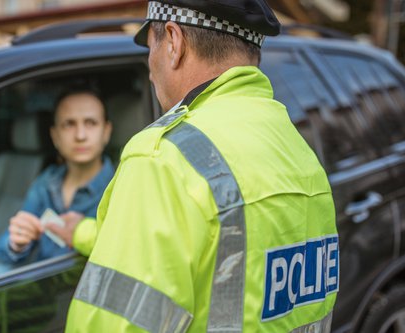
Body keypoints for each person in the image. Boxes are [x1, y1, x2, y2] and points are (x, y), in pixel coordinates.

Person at [65, 1, 339, 332]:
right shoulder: (297, 150)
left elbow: (117, 321)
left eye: (150, 48)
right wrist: (81, 232)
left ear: (173, 41)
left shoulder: (163, 158)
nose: (150, 69)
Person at [0, 89, 114, 267]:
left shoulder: (120, 187)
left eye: (90, 123)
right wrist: (16, 243)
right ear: (55, 136)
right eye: (69, 124)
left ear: (106, 132)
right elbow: (4, 250)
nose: (80, 135)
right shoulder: (47, 181)